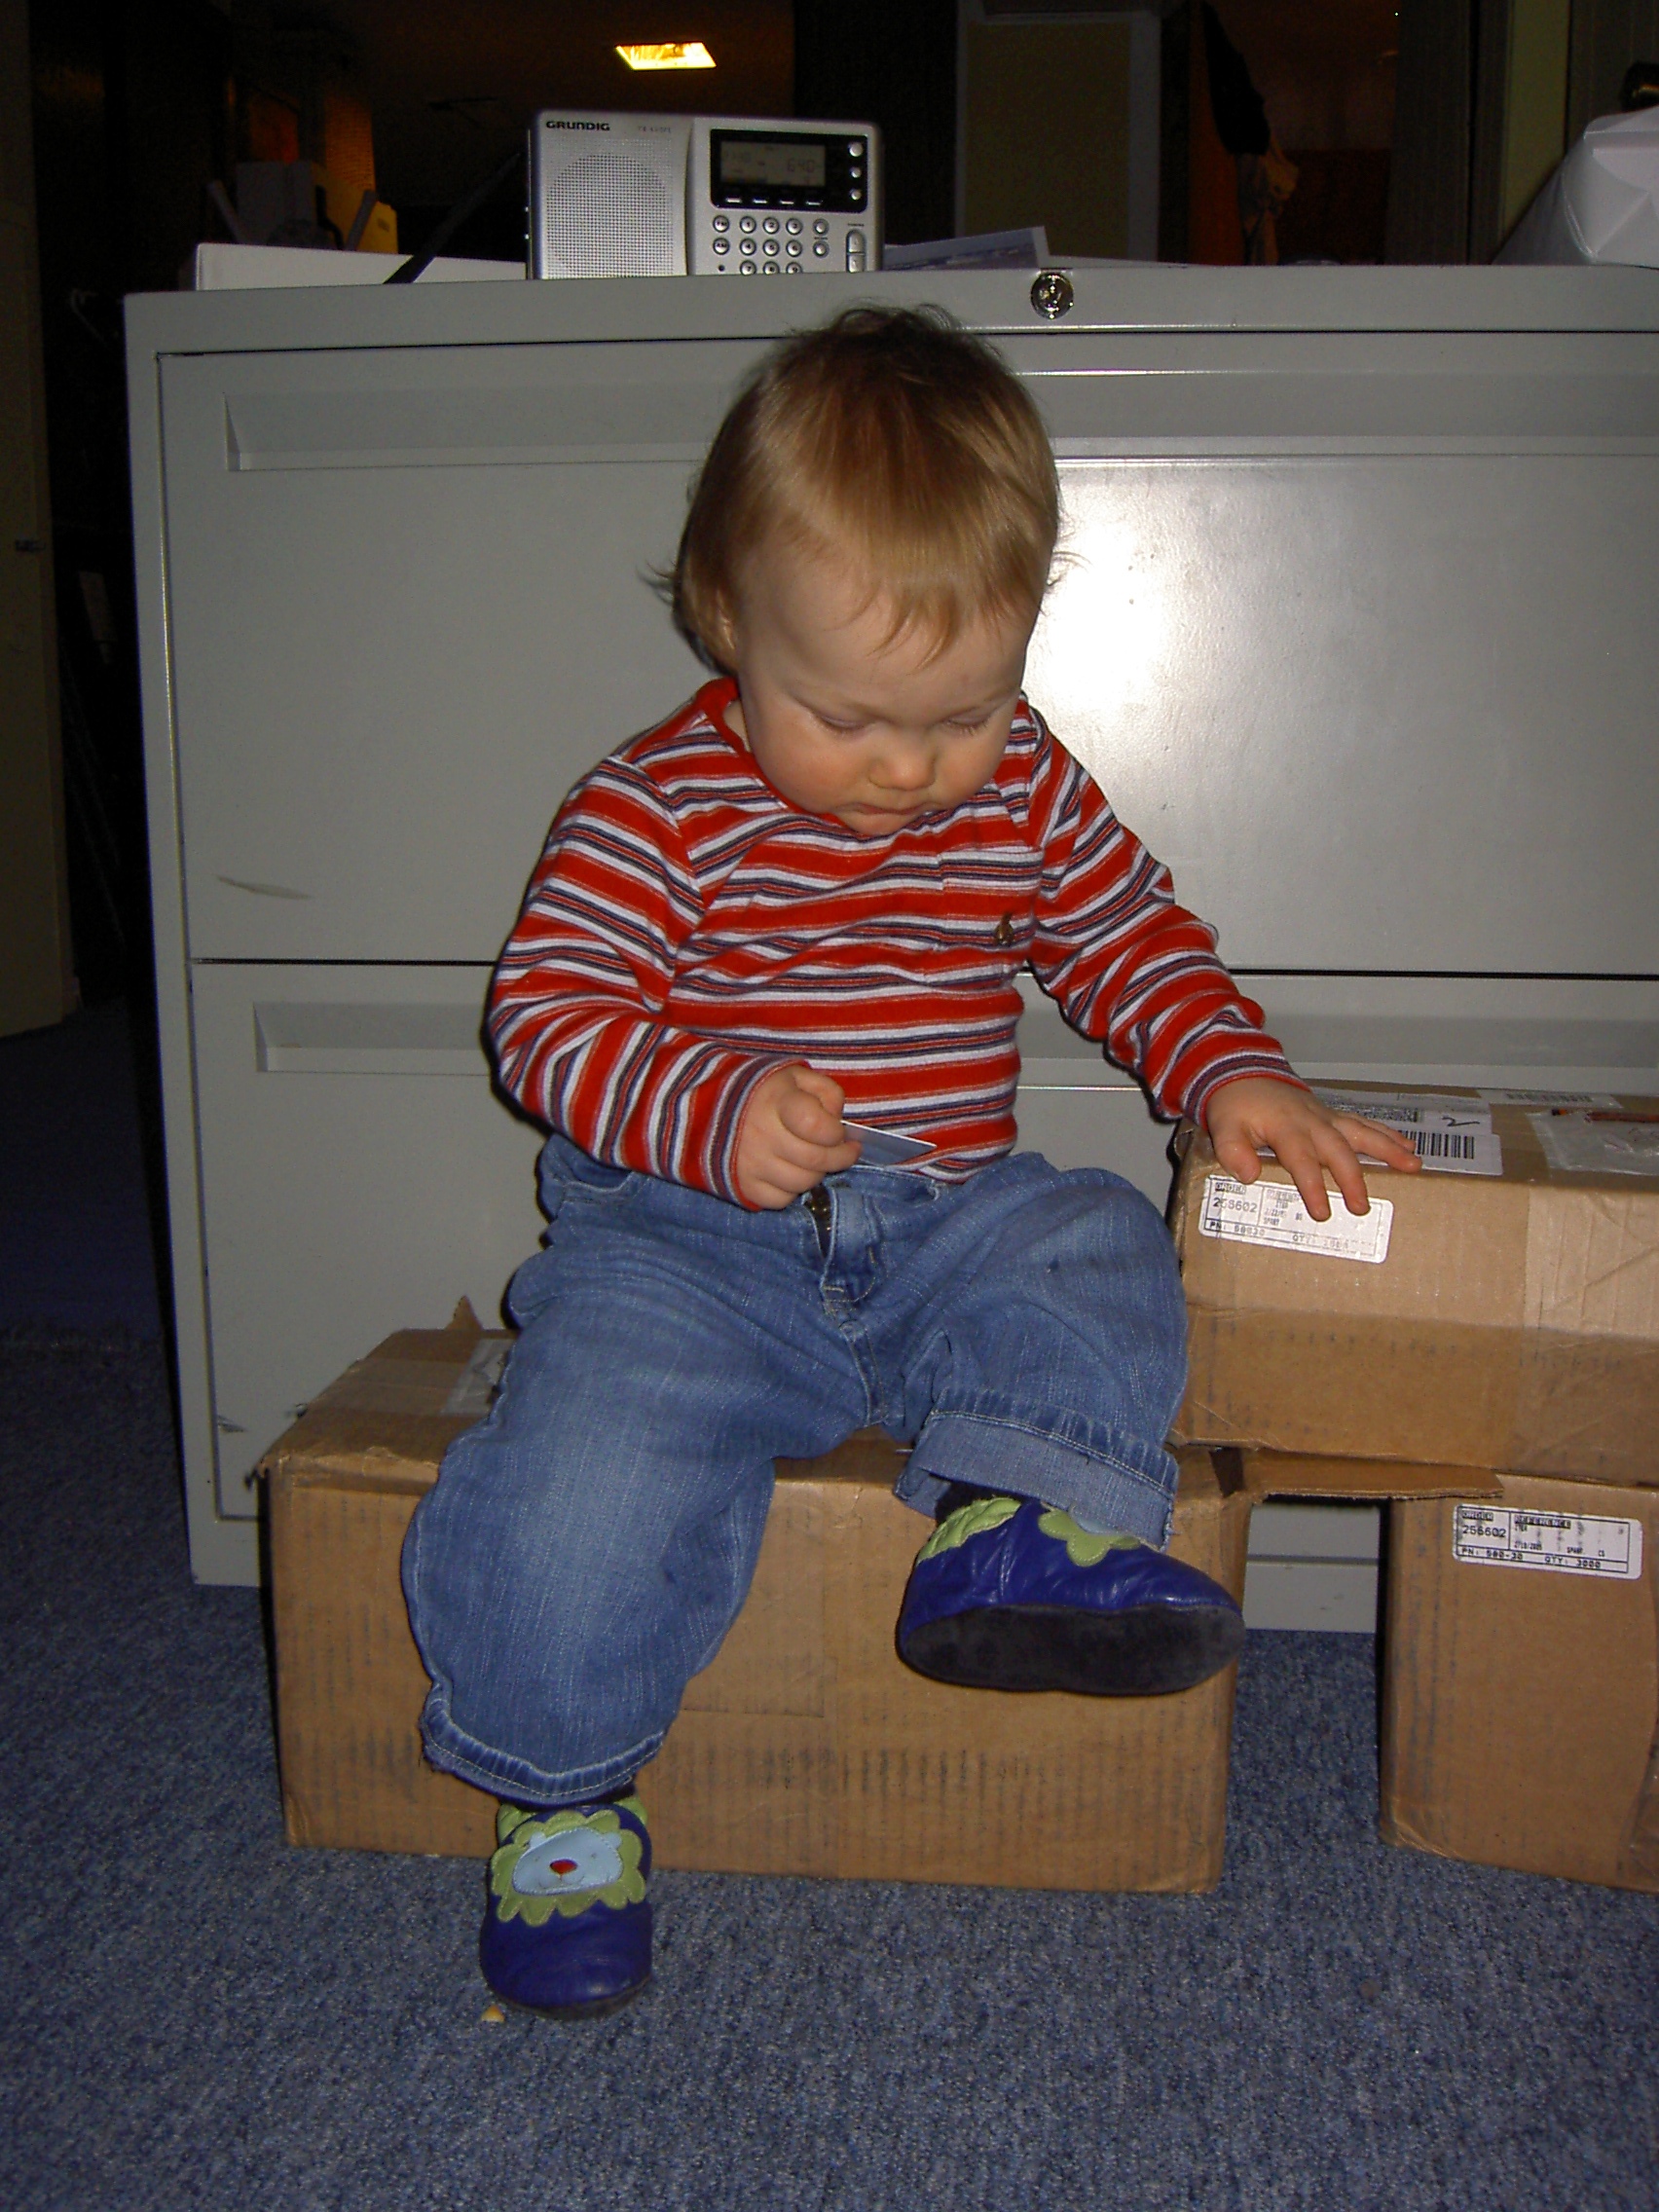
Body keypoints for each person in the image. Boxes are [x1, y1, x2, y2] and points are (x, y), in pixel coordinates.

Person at [401, 305, 1418, 2019]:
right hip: (690, 1253)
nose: (909, 771)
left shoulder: (1017, 787)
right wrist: (708, 1103)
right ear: (727, 616)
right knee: (579, 1483)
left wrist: (1231, 1067)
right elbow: (548, 1020)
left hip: (941, 1223)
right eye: (850, 716)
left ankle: (1016, 1520)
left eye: (965, 714)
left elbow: (1124, 933)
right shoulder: (651, 807)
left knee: (1095, 1231)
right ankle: (561, 1798)